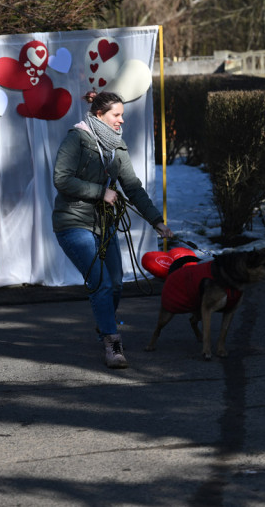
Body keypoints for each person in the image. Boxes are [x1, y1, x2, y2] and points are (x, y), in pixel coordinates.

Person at [52, 90, 173, 369]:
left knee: (116, 283)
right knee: (101, 283)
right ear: (99, 115)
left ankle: (104, 323)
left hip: (104, 225)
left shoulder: (116, 145)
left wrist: (157, 221)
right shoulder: (77, 139)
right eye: (116, 115)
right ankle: (112, 342)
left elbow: (132, 188)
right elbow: (61, 178)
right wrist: (100, 192)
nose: (121, 121)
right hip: (73, 223)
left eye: (122, 115)